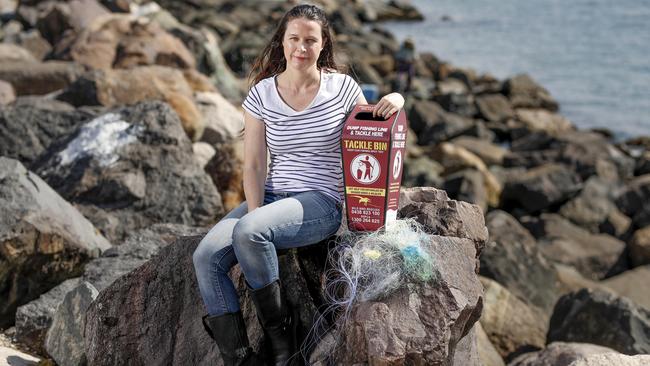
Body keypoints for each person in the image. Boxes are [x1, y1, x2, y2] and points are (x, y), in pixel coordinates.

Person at [192, 4, 404, 366]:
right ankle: (240, 358)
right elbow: (256, 164)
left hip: (321, 200)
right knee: (206, 257)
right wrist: (256, 223)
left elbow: (373, 130)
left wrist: (397, 99)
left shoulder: (341, 88)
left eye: (310, 40)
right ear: (283, 42)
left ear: (323, 45)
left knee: (249, 231)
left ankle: (283, 348)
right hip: (275, 197)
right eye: (294, 39)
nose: (301, 48)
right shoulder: (262, 94)